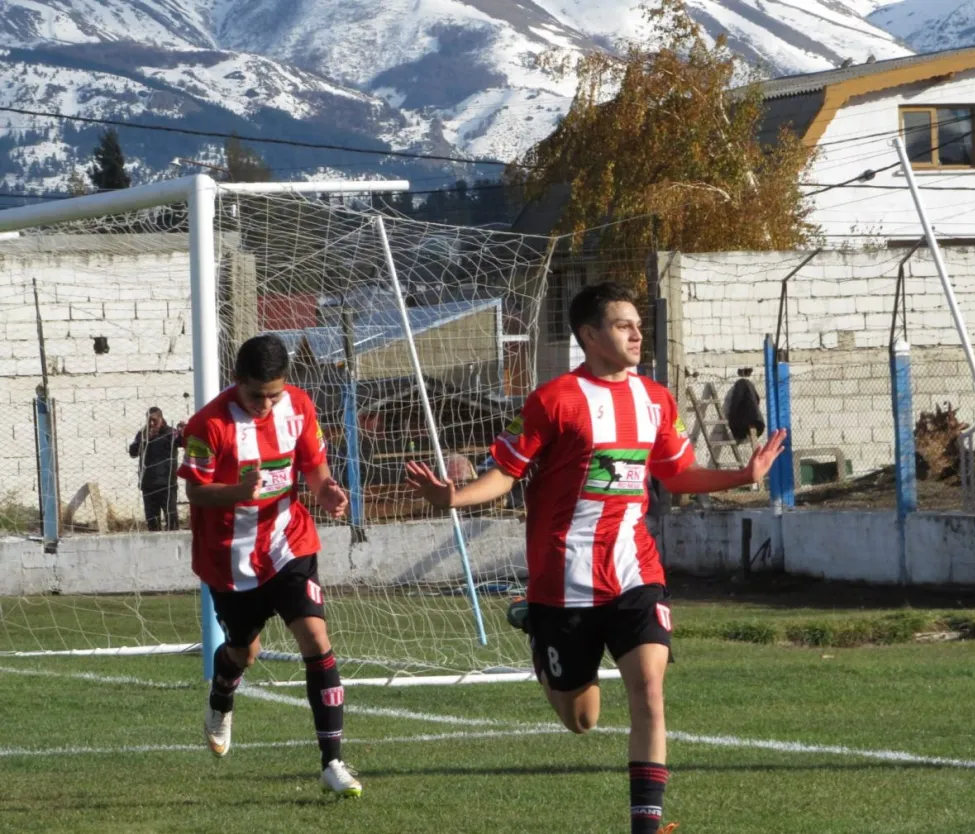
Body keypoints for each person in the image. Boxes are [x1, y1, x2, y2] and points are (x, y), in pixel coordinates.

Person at [406, 282, 785, 834]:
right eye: (623, 324)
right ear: (589, 335)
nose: (637, 333)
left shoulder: (656, 399)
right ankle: (539, 634)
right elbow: (505, 475)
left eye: (638, 324)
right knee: (581, 720)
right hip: (563, 581)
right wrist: (452, 497)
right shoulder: (553, 400)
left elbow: (674, 474)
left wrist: (741, 475)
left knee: (649, 690)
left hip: (636, 571)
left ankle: (645, 826)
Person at [177, 334, 362, 798]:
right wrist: (238, 492)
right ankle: (222, 693)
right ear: (237, 381)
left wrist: (327, 492)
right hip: (229, 558)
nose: (265, 404)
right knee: (245, 652)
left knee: (316, 638)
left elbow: (315, 467)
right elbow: (195, 493)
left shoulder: (299, 407)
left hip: (288, 543)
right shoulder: (207, 425)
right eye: (256, 394)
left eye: (273, 394)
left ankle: (332, 761)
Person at [129, 407, 185, 531]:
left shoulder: (171, 433)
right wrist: (143, 440)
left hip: (167, 485)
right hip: (148, 485)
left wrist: (185, 431)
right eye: (148, 420)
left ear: (161, 419)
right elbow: (132, 453)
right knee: (152, 523)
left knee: (171, 520)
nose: (151, 424)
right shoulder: (142, 434)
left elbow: (184, 442)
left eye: (154, 420)